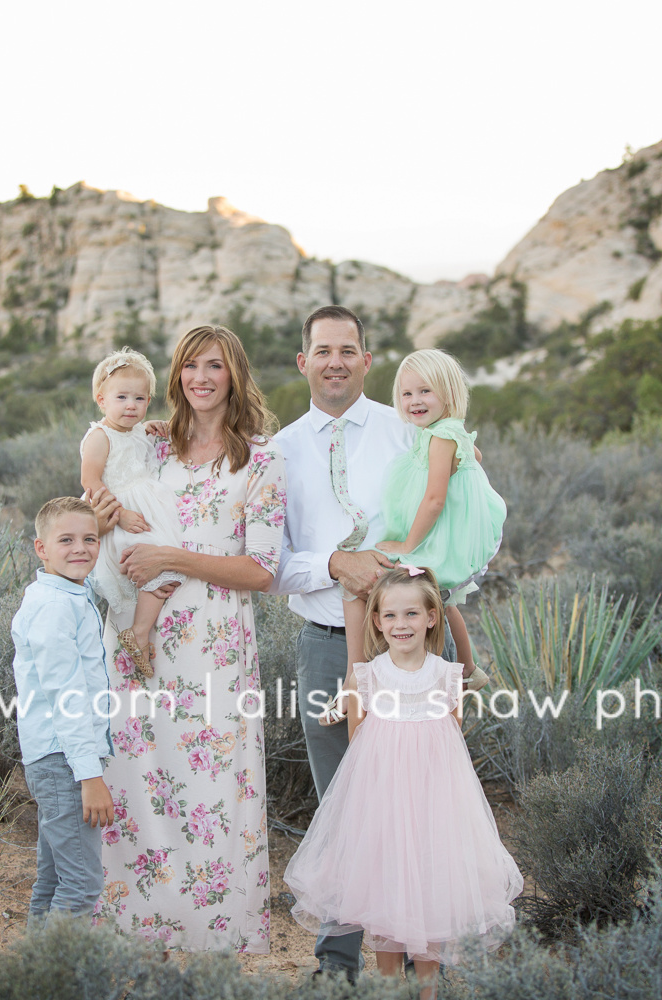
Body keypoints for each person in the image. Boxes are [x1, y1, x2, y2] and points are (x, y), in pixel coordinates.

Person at [94, 324, 286, 954]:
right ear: (175, 377)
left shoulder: (261, 458)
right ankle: (135, 933)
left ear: (236, 373)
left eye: (215, 366)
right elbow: (108, 493)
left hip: (214, 643)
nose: (201, 378)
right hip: (139, 637)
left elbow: (261, 571)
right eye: (189, 367)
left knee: (210, 789)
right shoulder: (152, 447)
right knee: (137, 775)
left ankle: (208, 941)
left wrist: (171, 556)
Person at [284, 566, 523, 1000]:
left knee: (430, 888)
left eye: (412, 614)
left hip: (434, 803)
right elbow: (358, 745)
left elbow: (451, 742)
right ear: (376, 622)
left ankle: (429, 990)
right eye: (391, 616)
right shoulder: (366, 676)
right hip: (382, 803)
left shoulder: (448, 676)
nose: (401, 624)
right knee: (385, 892)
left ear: (433, 616)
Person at [270, 305, 419, 980]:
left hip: (409, 649)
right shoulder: (279, 451)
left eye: (348, 350)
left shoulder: (407, 430)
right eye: (322, 350)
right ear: (303, 362)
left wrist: (411, 577)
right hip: (326, 644)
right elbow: (270, 562)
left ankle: (417, 952)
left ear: (367, 359)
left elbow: (472, 524)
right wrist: (334, 564)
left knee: (411, 798)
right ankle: (337, 963)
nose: (335, 361)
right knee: (341, 803)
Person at [336, 347, 502, 717]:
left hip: (434, 537)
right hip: (444, 536)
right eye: (407, 394)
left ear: (449, 392)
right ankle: (470, 668)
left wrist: (408, 543)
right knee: (442, 597)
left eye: (426, 391)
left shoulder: (440, 437)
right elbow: (474, 458)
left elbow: (434, 499)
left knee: (352, 585)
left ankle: (353, 680)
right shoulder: (446, 432)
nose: (415, 401)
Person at [11, 497, 115, 922]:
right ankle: (60, 978)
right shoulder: (55, 607)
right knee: (82, 884)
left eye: (89, 539)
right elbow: (66, 698)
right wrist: (89, 776)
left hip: (57, 757)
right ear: (41, 549)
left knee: (53, 879)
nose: (80, 549)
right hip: (65, 762)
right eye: (66, 540)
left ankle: (35, 976)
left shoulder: (67, 593)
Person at [81, 347, 185, 677]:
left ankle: (142, 632)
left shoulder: (137, 429)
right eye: (121, 397)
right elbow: (91, 481)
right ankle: (138, 634)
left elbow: (139, 438)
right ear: (101, 400)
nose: (130, 406)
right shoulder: (100, 436)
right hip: (119, 514)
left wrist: (149, 424)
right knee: (156, 569)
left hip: (149, 506)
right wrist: (121, 514)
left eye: (139, 399)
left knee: (167, 567)